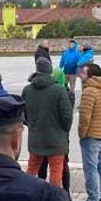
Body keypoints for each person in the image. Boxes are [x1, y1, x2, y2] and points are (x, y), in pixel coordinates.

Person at [21, 56, 73, 190]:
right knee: (56, 172)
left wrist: (31, 124)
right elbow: (67, 115)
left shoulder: (27, 90)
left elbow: (22, 113)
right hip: (56, 138)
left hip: (36, 137)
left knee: (32, 169)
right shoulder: (59, 90)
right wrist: (64, 130)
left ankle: (28, 194)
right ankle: (54, 199)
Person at [75, 62, 101, 201]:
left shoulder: (89, 91)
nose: (80, 75)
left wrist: (82, 133)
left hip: (92, 135)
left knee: (90, 168)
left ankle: (92, 200)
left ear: (90, 75)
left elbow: (85, 116)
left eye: (83, 73)